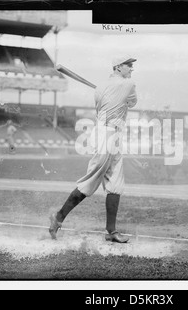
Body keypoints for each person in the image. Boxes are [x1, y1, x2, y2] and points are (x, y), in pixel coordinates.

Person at [49, 55, 138, 243]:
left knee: (115, 183)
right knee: (90, 181)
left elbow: (103, 107)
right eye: (128, 65)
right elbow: (133, 102)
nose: (131, 69)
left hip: (109, 134)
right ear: (118, 67)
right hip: (107, 135)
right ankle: (58, 217)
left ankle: (111, 231)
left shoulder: (99, 89)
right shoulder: (128, 85)